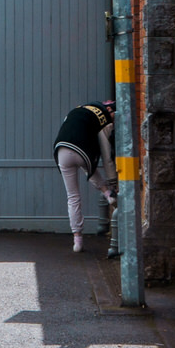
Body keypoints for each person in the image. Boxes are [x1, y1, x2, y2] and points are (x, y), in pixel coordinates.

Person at [53, 100, 116, 253]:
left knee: (73, 196)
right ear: (109, 109)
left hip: (61, 149)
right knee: (87, 165)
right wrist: (113, 181)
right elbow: (106, 155)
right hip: (82, 150)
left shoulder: (79, 109)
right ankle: (110, 194)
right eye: (114, 115)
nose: (115, 119)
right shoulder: (104, 119)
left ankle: (77, 240)